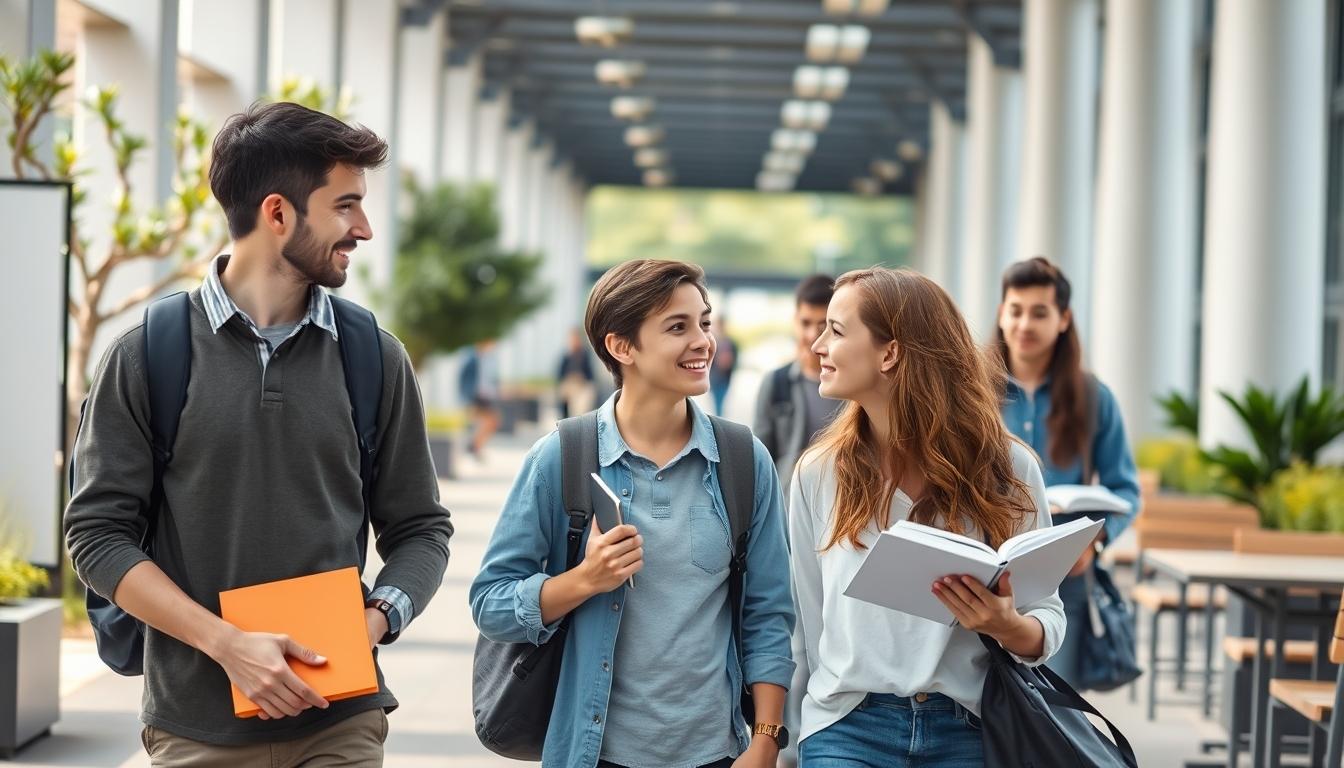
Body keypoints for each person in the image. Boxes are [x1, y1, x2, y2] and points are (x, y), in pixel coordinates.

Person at [63, 101, 453, 765]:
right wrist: (227, 645)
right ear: (277, 213)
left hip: (342, 722)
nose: (363, 228)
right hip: (196, 729)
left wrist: (374, 621)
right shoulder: (148, 354)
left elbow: (420, 529)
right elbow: (97, 536)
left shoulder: (373, 357)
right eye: (346, 205)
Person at [470, 259, 796, 768]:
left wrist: (766, 742)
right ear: (622, 347)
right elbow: (490, 603)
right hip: (594, 751)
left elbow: (768, 614)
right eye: (677, 327)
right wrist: (584, 579)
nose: (704, 342)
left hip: (717, 752)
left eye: (704, 323)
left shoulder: (742, 459)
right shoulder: (561, 457)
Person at [789, 267, 1065, 766]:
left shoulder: (1008, 468)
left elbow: (1047, 614)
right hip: (847, 727)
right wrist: (787, 736)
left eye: (837, 329)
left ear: (890, 352)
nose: (817, 346)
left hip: (968, 727)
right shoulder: (817, 473)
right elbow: (808, 625)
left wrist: (1008, 626)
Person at [995, 256, 1141, 688]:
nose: (1025, 324)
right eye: (1015, 310)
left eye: (1039, 312)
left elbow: (1125, 490)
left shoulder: (1094, 398)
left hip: (1066, 579)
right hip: (987, 573)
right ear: (1001, 314)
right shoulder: (972, 391)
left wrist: (1094, 546)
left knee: (1056, 722)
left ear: (1063, 319)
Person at [753, 273, 842, 493]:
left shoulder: (852, 386)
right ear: (795, 321)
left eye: (823, 326)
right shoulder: (777, 383)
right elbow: (760, 458)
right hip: (787, 504)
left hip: (843, 504)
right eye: (805, 323)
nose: (812, 334)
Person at [459, 339, 502, 459]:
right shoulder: (471, 359)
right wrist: (467, 399)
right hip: (475, 398)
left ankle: (474, 446)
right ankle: (473, 447)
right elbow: (463, 380)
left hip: (486, 398)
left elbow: (491, 379)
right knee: (490, 421)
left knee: (491, 422)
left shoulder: (489, 358)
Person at [556, 326, 596, 419]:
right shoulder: (566, 357)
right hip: (569, 385)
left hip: (582, 385)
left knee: (586, 398)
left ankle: (580, 419)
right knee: (564, 393)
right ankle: (565, 418)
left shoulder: (584, 355)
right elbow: (560, 376)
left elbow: (590, 374)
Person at [708, 315, 738, 416]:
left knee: (721, 400)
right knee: (717, 401)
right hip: (715, 377)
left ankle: (719, 419)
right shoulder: (712, 340)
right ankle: (719, 419)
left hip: (725, 377)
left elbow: (735, 358)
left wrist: (729, 362)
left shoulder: (730, 341)